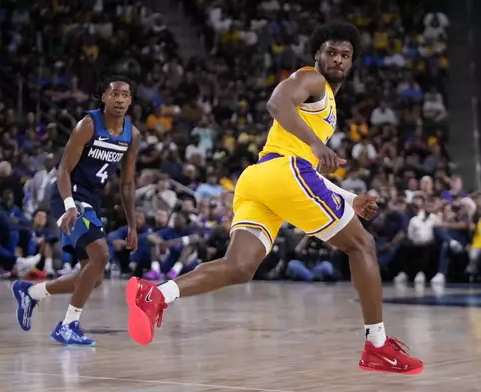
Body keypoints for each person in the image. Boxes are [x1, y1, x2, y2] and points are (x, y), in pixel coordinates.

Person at [125, 22, 423, 375]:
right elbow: (277, 102)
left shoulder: (327, 101)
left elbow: (300, 162)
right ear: (317, 54)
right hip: (284, 173)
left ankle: (156, 295)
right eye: (331, 52)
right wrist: (316, 143)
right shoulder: (312, 79)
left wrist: (349, 197)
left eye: (345, 55)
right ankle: (377, 346)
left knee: (239, 267)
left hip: (259, 179)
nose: (338, 60)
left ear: (353, 61)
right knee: (362, 246)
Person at [12, 76, 140, 346]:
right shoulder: (88, 125)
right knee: (101, 255)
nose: (119, 99)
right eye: (114, 94)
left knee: (91, 279)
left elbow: (127, 184)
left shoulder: (133, 134)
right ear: (104, 97)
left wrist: (132, 224)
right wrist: (69, 204)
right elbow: (63, 170)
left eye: (125, 95)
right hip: (67, 196)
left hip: (91, 200)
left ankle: (31, 293)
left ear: (130, 100)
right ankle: (68, 325)